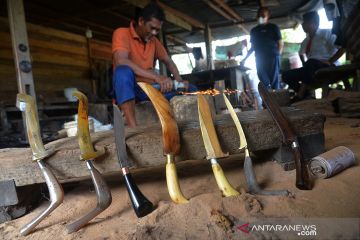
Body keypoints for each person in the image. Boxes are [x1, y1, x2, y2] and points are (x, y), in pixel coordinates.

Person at [112, 3, 196, 127]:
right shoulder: (121, 33)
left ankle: (197, 128)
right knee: (122, 72)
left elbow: (169, 61)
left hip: (150, 89)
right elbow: (121, 61)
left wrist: (179, 82)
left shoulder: (154, 41)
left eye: (157, 30)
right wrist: (156, 77)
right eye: (152, 28)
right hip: (131, 89)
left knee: (191, 89)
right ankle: (134, 127)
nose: (155, 33)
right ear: (141, 21)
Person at [282, 11, 346, 100]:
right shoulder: (306, 40)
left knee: (311, 62)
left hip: (328, 65)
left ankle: (300, 95)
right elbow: (301, 53)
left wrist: (330, 61)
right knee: (286, 75)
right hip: (311, 67)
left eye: (305, 22)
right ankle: (306, 95)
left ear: (313, 22)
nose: (302, 25)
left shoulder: (326, 33)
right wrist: (305, 64)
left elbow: (342, 48)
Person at [240, 7, 283, 90]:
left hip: (273, 57)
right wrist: (244, 59)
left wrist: (278, 56)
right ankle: (267, 101)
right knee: (264, 82)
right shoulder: (254, 31)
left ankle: (276, 101)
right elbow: (253, 47)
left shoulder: (273, 28)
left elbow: (280, 44)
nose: (261, 17)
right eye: (259, 15)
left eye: (263, 15)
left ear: (268, 16)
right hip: (259, 59)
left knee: (274, 81)